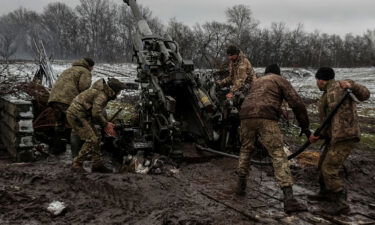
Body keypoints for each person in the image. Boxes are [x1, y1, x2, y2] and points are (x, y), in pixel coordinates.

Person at [237, 64, 311, 213]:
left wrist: (277, 110)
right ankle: (289, 199)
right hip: (266, 118)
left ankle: (240, 186)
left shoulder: (257, 82)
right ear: (278, 73)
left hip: (245, 116)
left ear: (265, 72)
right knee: (278, 154)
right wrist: (305, 126)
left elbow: (257, 99)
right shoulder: (279, 79)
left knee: (246, 149)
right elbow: (296, 103)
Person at [308, 67, 370, 215]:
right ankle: (325, 193)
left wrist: (352, 86)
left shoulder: (342, 86)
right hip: (333, 137)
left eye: (317, 79)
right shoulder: (325, 96)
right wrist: (318, 135)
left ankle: (341, 203)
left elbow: (366, 95)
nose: (316, 82)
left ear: (321, 80)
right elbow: (327, 122)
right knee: (322, 164)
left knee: (329, 168)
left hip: (346, 135)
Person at [67, 78, 126, 172]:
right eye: (119, 92)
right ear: (114, 90)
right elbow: (96, 113)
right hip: (77, 115)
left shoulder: (102, 92)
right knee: (92, 139)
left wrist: (105, 124)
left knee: (97, 136)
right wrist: (106, 124)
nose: (118, 95)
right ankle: (77, 163)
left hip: (82, 115)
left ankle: (96, 163)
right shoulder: (102, 95)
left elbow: (96, 112)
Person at [47, 58, 95, 154]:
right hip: (67, 100)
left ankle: (57, 149)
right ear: (90, 66)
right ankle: (78, 153)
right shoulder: (85, 71)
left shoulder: (69, 69)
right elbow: (83, 88)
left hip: (54, 99)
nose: (92, 69)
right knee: (77, 124)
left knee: (60, 124)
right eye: (92, 67)